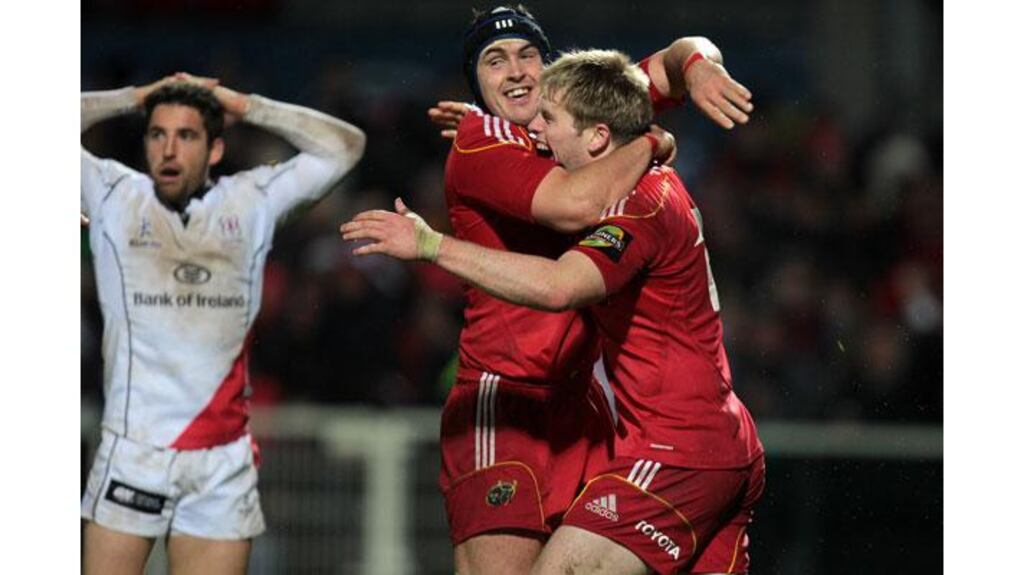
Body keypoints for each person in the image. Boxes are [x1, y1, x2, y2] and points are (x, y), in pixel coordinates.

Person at [342, 48, 764, 575]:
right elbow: (663, 69)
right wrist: (692, 72)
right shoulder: (632, 164)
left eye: (549, 119)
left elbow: (562, 284)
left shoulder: (635, 205)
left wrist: (431, 246)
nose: (534, 132)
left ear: (597, 138)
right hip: (716, 439)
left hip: (675, 449)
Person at [80, 73, 366, 575]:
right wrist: (135, 98)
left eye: (186, 135)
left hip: (221, 461)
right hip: (134, 449)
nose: (169, 149)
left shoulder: (250, 200)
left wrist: (246, 104)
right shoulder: (112, 194)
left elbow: (344, 146)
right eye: (156, 133)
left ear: (215, 149)